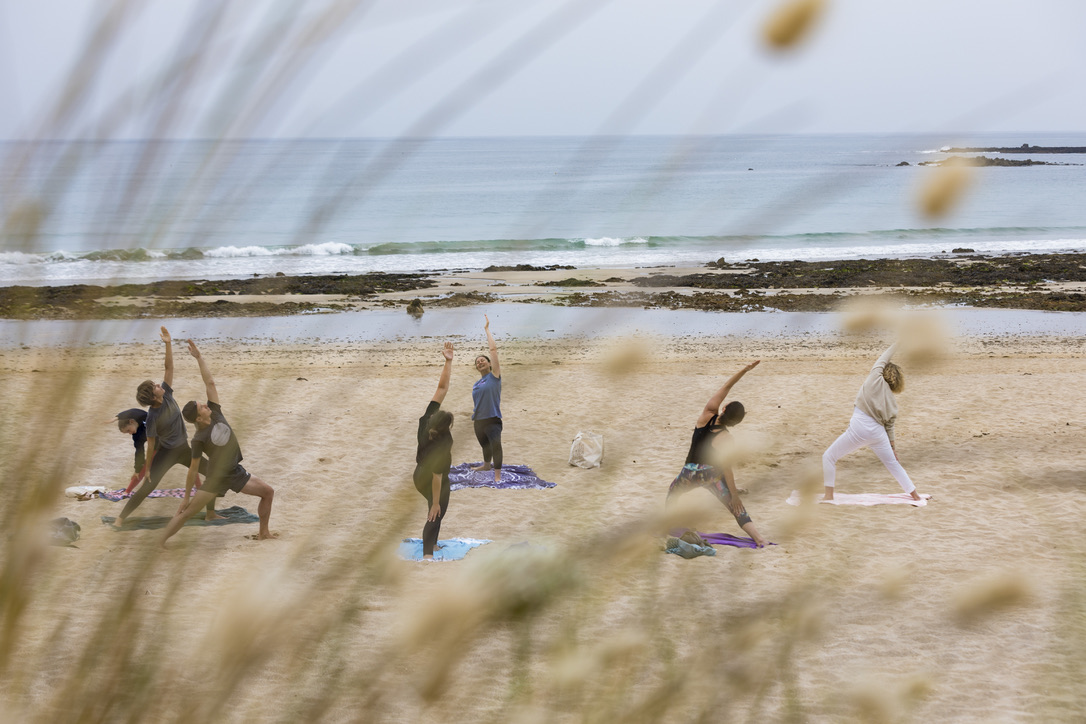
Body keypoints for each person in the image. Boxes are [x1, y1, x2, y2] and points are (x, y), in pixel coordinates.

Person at [161, 340, 277, 545]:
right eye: (202, 407)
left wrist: (199, 357)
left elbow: (210, 383)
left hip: (234, 472)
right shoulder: (198, 439)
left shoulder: (215, 413)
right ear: (198, 418)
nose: (206, 405)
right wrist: (186, 497)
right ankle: (159, 543)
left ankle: (263, 533)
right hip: (216, 478)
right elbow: (193, 470)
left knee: (267, 492)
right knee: (186, 513)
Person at [114, 327, 216, 527]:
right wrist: (149, 468)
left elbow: (168, 368)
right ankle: (119, 520)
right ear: (153, 397)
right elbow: (151, 443)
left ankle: (210, 513)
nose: (159, 385)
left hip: (184, 449)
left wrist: (168, 344)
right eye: (155, 386)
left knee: (213, 472)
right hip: (166, 453)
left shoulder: (167, 395)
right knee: (147, 487)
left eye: (156, 384)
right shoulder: (152, 416)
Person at [665, 360, 768, 548]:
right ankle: (759, 538)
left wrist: (745, 370)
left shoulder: (708, 413)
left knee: (673, 493)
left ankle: (666, 524)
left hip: (689, 472)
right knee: (736, 508)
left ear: (724, 408)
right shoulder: (727, 438)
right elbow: (727, 469)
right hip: (711, 475)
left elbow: (726, 387)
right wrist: (735, 496)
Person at [822, 343, 923, 501]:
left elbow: (885, 355)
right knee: (893, 464)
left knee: (828, 457)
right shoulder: (893, 404)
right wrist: (893, 449)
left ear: (883, 371)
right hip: (878, 434)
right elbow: (890, 428)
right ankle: (915, 496)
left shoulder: (875, 376)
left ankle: (828, 496)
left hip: (859, 427)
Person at [414, 342, 456, 558]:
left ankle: (434, 544)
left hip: (418, 474)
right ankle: (428, 554)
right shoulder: (442, 443)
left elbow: (441, 389)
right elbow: (437, 477)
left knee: (435, 509)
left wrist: (448, 361)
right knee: (436, 512)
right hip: (431, 478)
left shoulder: (425, 420)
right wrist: (436, 502)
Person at [471, 314, 503, 485]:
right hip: (478, 420)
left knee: (496, 446)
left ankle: (497, 475)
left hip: (493, 419)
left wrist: (486, 330)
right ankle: (486, 465)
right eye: (477, 362)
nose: (480, 362)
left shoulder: (494, 377)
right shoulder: (477, 383)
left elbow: (493, 350)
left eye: (483, 360)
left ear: (490, 364)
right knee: (485, 446)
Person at [115, 408, 148, 494]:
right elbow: (139, 452)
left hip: (167, 439)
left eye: (128, 430)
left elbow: (136, 411)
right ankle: (128, 490)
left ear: (131, 421)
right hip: (158, 446)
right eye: (127, 433)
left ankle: (128, 490)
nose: (130, 433)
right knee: (145, 465)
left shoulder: (145, 418)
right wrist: (137, 470)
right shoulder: (136, 435)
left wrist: (119, 416)